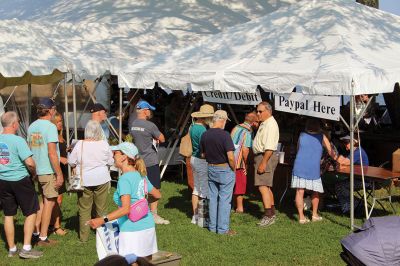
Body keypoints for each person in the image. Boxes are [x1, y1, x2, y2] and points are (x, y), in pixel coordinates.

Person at [87, 142, 161, 259]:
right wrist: (142, 202)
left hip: (132, 230)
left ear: (124, 157)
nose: (113, 155)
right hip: (148, 226)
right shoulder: (141, 175)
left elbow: (126, 209)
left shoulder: (124, 179)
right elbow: (157, 195)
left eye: (115, 153)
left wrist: (102, 220)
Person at [0, 112, 43, 259]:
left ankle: (12, 249)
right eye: (18, 121)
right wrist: (34, 174)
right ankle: (26, 248)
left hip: (3, 180)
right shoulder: (18, 140)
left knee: (8, 214)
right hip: (19, 180)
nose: (18, 124)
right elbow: (30, 162)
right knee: (31, 212)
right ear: (13, 124)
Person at [68, 120, 114, 242]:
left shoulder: (79, 144)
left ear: (86, 131)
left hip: (84, 180)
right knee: (102, 208)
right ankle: (103, 236)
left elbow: (71, 161)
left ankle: (84, 237)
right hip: (102, 178)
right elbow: (110, 162)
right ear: (99, 131)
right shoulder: (104, 144)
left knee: (84, 209)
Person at [28, 98, 63, 246]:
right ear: (49, 110)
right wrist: (59, 174)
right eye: (54, 108)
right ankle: (43, 237)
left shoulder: (32, 126)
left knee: (42, 201)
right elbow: (52, 153)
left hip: (36, 169)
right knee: (49, 202)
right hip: (47, 169)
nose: (55, 110)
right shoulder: (50, 127)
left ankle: (35, 231)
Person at [130, 100, 169, 225]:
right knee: (155, 188)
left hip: (138, 160)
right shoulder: (150, 125)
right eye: (149, 110)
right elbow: (162, 138)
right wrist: (154, 137)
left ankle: (139, 211)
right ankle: (153, 214)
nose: (150, 112)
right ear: (145, 111)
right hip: (150, 161)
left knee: (140, 188)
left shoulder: (133, 124)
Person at [291, 119, 338, 224]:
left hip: (299, 165)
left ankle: (301, 217)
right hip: (313, 167)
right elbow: (332, 154)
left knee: (299, 192)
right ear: (319, 127)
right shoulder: (322, 136)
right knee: (315, 191)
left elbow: (299, 149)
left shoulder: (302, 135)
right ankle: (314, 215)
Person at [200, 110, 236, 235]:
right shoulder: (225, 135)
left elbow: (203, 154)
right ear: (222, 120)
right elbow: (231, 156)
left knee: (213, 198)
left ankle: (212, 227)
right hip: (224, 168)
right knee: (225, 200)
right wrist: (234, 168)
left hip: (211, 167)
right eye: (226, 121)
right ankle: (222, 229)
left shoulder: (205, 134)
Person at [252, 101, 279, 227]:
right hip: (262, 156)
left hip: (265, 157)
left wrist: (263, 163)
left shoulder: (270, 125)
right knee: (266, 186)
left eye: (260, 111)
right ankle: (272, 213)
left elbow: (269, 148)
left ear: (268, 111)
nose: (258, 113)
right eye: (257, 111)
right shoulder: (266, 123)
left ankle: (268, 215)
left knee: (262, 186)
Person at [189, 104, 214, 225]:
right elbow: (205, 148)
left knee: (196, 189)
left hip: (193, 158)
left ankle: (195, 216)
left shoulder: (193, 127)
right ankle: (203, 219)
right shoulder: (203, 130)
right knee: (204, 190)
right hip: (201, 160)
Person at [230, 111, 258, 213]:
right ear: (254, 122)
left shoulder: (236, 127)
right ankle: (240, 207)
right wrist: (246, 163)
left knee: (232, 184)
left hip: (230, 160)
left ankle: (232, 205)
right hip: (239, 162)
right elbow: (245, 150)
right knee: (240, 185)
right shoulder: (248, 132)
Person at [335, 135, 369, 214]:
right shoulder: (354, 152)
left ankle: (352, 206)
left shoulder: (358, 152)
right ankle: (351, 205)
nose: (344, 144)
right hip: (357, 178)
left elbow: (343, 162)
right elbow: (343, 164)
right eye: (344, 142)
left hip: (363, 181)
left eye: (346, 142)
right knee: (339, 184)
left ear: (354, 142)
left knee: (340, 186)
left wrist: (336, 156)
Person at [49, 112, 68, 236]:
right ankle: (55, 226)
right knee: (55, 199)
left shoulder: (61, 136)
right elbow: (50, 153)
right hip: (56, 170)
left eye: (61, 121)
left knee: (58, 199)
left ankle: (52, 224)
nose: (60, 124)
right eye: (57, 122)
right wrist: (61, 158)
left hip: (62, 170)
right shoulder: (51, 137)